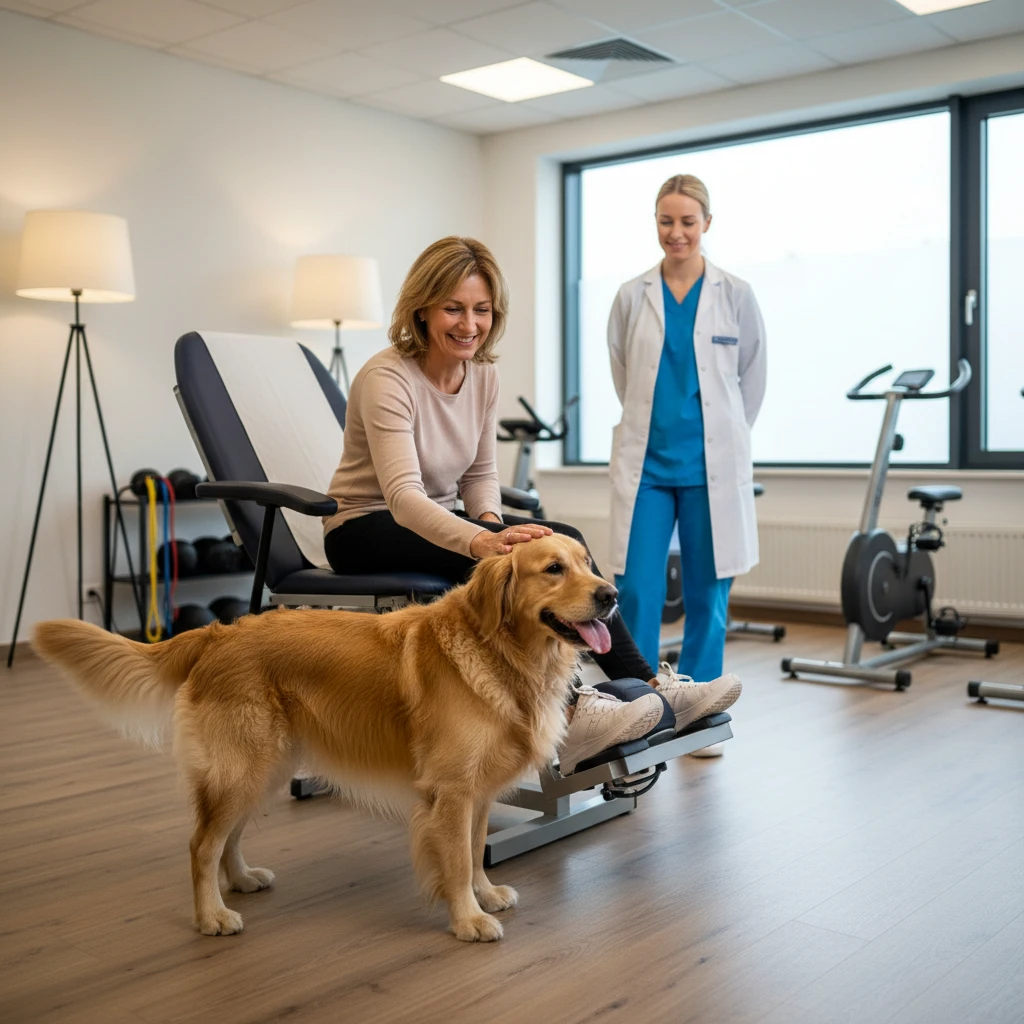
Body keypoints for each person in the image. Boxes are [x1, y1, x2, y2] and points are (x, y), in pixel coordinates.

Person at [323, 236, 741, 774]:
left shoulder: (483, 375)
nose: (468, 324)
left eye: (481, 310)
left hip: (448, 518)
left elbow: (479, 474)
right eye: (453, 308)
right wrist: (483, 542)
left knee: (560, 536)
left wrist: (498, 528)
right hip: (366, 524)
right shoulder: (386, 378)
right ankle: (573, 707)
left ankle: (649, 687)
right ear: (422, 308)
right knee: (500, 567)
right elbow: (403, 499)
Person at [606, 174, 766, 757]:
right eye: (666, 221)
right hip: (648, 466)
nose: (677, 232)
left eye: (688, 221)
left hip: (710, 467)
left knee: (708, 596)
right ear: (656, 223)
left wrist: (719, 437)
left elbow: (752, 379)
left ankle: (698, 716)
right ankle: (636, 711)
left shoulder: (735, 293)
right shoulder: (631, 295)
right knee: (637, 592)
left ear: (707, 224)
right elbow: (626, 376)